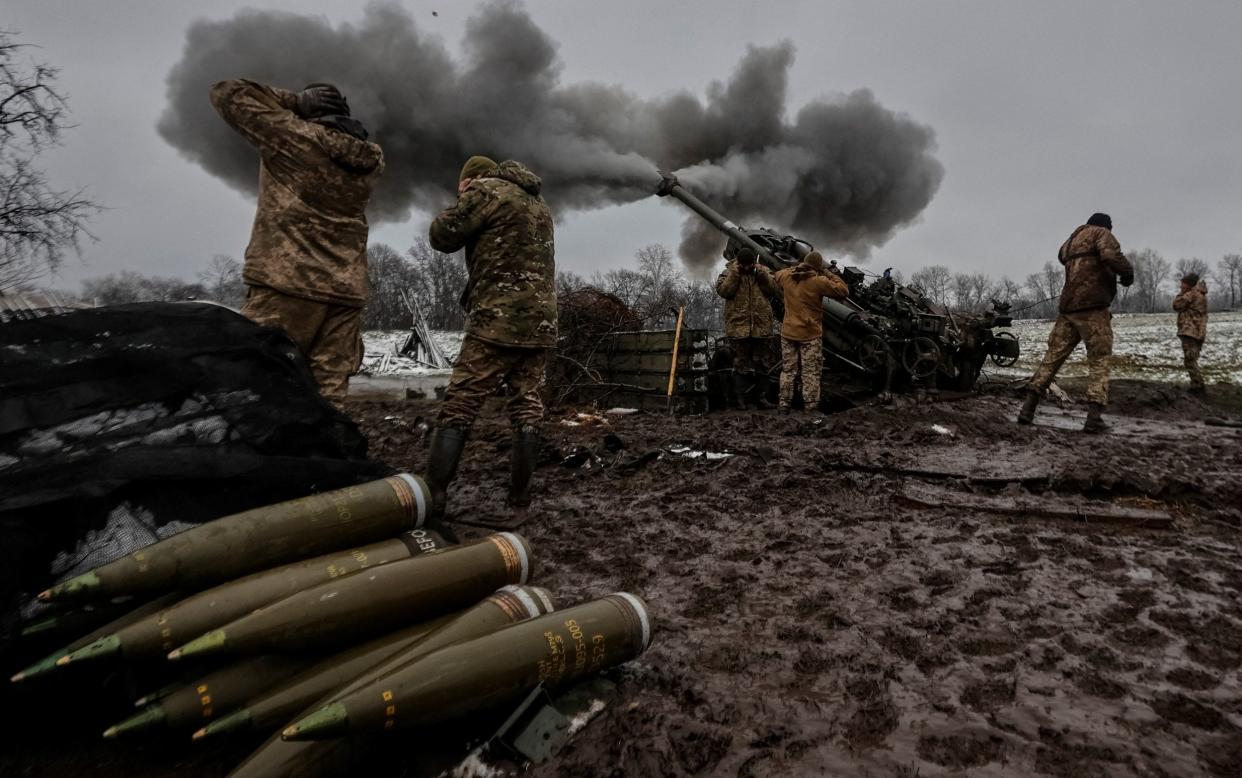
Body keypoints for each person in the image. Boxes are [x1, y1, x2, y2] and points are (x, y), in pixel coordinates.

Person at [210, 80, 384, 411]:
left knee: (260, 385)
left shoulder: (294, 138)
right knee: (328, 400)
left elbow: (227, 93)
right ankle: (325, 459)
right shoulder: (371, 160)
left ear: (309, 112)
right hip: (345, 291)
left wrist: (292, 100)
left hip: (288, 283)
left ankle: (269, 460)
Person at [423, 156, 556, 519]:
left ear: (472, 178)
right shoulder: (537, 202)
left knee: (460, 405)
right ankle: (519, 497)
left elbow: (441, 236)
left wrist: (467, 195)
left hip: (497, 320)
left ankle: (433, 495)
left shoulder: (486, 191)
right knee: (527, 408)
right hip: (540, 323)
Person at [1018, 212, 1133, 432]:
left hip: (1068, 308)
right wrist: (1128, 272)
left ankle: (1027, 410)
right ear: (1107, 227)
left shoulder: (1071, 240)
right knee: (1099, 361)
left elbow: (1062, 256)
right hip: (1094, 308)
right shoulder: (1102, 234)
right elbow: (1110, 256)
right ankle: (1094, 418)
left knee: (1051, 359)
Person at [772, 251, 848, 413]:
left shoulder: (786, 276)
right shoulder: (818, 281)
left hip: (788, 333)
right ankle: (810, 408)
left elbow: (775, 275)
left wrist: (794, 268)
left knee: (788, 370)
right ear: (818, 267)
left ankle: (784, 405)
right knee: (810, 372)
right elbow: (843, 291)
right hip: (809, 335)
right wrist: (827, 272)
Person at [714, 247, 777, 409]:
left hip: (761, 327)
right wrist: (735, 273)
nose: (748, 268)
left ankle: (761, 398)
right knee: (740, 365)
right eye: (744, 265)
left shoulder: (763, 271)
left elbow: (773, 289)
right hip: (738, 327)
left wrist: (761, 273)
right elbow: (724, 291)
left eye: (750, 265)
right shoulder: (729, 273)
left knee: (763, 364)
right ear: (738, 263)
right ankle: (740, 400)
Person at [1172, 272, 1208, 395]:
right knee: (1192, 358)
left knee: (1189, 360)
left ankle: (1197, 387)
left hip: (1190, 331)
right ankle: (1198, 385)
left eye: (1183, 283)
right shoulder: (1200, 294)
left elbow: (1176, 305)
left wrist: (1181, 293)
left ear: (1188, 284)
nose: (1180, 286)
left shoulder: (1191, 294)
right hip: (1198, 331)